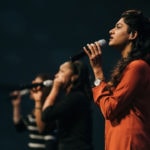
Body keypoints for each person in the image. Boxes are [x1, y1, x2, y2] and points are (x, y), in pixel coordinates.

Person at [83, 9, 150, 150]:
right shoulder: (128, 68)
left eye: (118, 27)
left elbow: (109, 109)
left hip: (130, 142)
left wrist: (97, 72)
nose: (111, 31)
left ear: (132, 34)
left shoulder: (137, 67)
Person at [41, 60, 94, 150]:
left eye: (62, 71)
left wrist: (55, 88)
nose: (56, 75)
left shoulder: (75, 97)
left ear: (74, 77)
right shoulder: (72, 97)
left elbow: (46, 115)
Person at [11, 73, 58, 150]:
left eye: (36, 85)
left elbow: (50, 141)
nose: (32, 87)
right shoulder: (34, 113)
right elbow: (19, 126)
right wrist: (16, 106)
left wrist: (38, 101)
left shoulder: (49, 113)